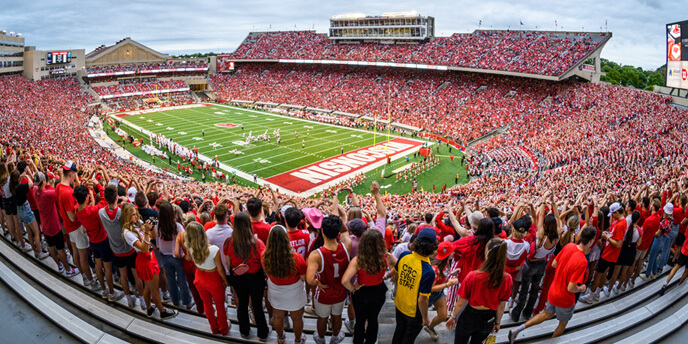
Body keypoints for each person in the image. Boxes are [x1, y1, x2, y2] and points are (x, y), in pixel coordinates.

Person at [508, 226, 597, 342]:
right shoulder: (582, 261)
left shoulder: (569, 246)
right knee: (562, 325)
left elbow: (554, 264)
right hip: (565, 298)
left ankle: (518, 329)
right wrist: (582, 289)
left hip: (553, 290)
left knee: (546, 314)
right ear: (591, 241)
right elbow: (571, 287)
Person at [446, 238, 511, 344]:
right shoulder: (507, 279)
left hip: (469, 316)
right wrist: (497, 322)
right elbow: (502, 305)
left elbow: (461, 302)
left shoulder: (473, 276)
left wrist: (453, 316)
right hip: (489, 318)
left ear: (488, 253)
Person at [121, 203, 178, 320]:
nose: (136, 216)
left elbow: (153, 236)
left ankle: (149, 309)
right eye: (133, 215)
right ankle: (162, 312)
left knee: (148, 287)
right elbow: (143, 248)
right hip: (145, 259)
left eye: (136, 214)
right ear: (127, 217)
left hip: (148, 257)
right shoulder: (127, 233)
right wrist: (146, 231)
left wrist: (150, 227)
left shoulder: (137, 224)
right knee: (155, 290)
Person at [511, 191, 561, 320]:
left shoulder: (541, 235)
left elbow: (540, 217)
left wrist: (544, 199)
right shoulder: (558, 235)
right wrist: (554, 204)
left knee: (524, 289)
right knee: (534, 289)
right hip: (542, 264)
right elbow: (557, 217)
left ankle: (516, 314)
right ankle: (527, 313)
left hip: (530, 263)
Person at [306, 215, 352, 344]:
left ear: (321, 231)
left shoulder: (316, 254)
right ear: (337, 232)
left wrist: (317, 282)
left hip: (324, 293)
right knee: (337, 317)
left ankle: (321, 339)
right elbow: (345, 230)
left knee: (322, 318)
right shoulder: (346, 245)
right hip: (340, 292)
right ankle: (335, 337)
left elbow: (309, 279)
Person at [224, 212, 269, 340]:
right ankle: (263, 333)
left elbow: (228, 264)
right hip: (255, 278)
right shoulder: (258, 243)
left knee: (242, 304)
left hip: (238, 278)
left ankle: (244, 331)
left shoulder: (228, 242)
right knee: (257, 306)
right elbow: (264, 265)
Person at [342, 229, 392, 344]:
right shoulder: (386, 257)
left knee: (360, 320)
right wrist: (388, 275)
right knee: (373, 319)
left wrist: (353, 288)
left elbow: (345, 281)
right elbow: (398, 265)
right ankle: (371, 341)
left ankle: (358, 341)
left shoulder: (358, 260)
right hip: (378, 290)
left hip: (362, 292)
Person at [390, 228, 437, 344]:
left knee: (399, 331)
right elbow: (423, 299)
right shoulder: (428, 271)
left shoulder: (404, 255)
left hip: (400, 303)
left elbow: (395, 273)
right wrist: (425, 317)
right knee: (409, 338)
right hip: (413, 311)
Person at [263, 225, 307, 344]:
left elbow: (266, 273)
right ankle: (298, 340)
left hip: (276, 289)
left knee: (277, 316)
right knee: (297, 318)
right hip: (294, 291)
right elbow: (303, 277)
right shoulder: (297, 258)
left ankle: (281, 338)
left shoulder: (264, 256)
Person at [183, 221, 230, 335]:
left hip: (199, 277)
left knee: (207, 305)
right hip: (213, 278)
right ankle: (223, 328)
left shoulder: (189, 247)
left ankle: (214, 328)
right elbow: (220, 269)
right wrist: (225, 280)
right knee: (219, 306)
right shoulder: (214, 249)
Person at [55, 161, 95, 289]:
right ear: (71, 174)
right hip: (75, 227)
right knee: (82, 255)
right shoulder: (67, 193)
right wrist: (81, 206)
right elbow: (72, 217)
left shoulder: (59, 187)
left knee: (76, 253)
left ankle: (84, 277)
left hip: (68, 227)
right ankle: (90, 281)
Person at [580, 202, 627, 303]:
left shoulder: (620, 224)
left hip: (609, 254)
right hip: (611, 253)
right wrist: (609, 235)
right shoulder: (621, 221)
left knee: (598, 274)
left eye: (613, 214)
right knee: (604, 273)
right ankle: (597, 293)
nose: (612, 216)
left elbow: (618, 244)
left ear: (617, 212)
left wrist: (607, 238)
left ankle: (590, 296)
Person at [33, 172, 76, 276]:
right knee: (60, 249)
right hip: (54, 226)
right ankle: (68, 269)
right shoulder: (49, 194)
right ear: (44, 181)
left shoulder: (35, 191)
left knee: (51, 247)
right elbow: (59, 190)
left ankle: (59, 265)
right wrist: (62, 176)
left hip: (44, 225)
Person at [157, 201, 193, 308]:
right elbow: (184, 241)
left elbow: (158, 243)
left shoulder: (158, 225)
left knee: (171, 279)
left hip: (164, 256)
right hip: (177, 257)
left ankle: (175, 300)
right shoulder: (177, 226)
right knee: (182, 280)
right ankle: (187, 302)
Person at [423, 240, 458, 342]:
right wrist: (448, 284)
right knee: (418, 320)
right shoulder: (434, 269)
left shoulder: (446, 263)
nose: (453, 253)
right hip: (428, 296)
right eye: (452, 251)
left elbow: (444, 275)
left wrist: (452, 274)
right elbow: (430, 288)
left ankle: (430, 328)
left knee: (443, 316)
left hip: (439, 293)